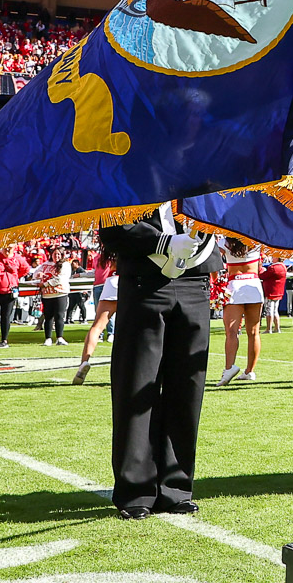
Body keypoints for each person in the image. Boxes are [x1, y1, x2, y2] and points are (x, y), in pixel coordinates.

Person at [98, 207, 222, 519]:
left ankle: (176, 486)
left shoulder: (198, 175)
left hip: (195, 281)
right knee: (137, 385)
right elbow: (112, 228)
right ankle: (135, 490)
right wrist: (161, 243)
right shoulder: (128, 170)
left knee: (187, 390)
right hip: (144, 281)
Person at [219, 237, 264, 385]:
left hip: (235, 284)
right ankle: (250, 371)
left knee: (231, 332)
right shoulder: (257, 240)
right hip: (254, 284)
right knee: (254, 332)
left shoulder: (224, 242)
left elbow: (214, 260)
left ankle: (228, 368)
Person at [72, 245, 118, 385]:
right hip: (130, 283)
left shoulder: (104, 253)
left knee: (97, 327)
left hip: (110, 283)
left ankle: (84, 362)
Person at [37, 247, 72, 346]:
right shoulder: (46, 264)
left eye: (58, 254)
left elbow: (60, 279)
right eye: (54, 254)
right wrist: (38, 274)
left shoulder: (65, 265)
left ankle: (59, 337)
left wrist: (46, 284)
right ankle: (48, 338)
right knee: (48, 317)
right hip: (47, 294)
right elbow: (35, 273)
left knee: (59, 316)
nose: (56, 256)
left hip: (60, 293)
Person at [260, 257, 287, 333]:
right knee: (275, 310)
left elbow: (262, 276)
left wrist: (261, 269)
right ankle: (277, 328)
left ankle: (269, 329)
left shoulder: (273, 267)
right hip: (279, 291)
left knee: (269, 310)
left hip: (271, 291)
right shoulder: (283, 267)